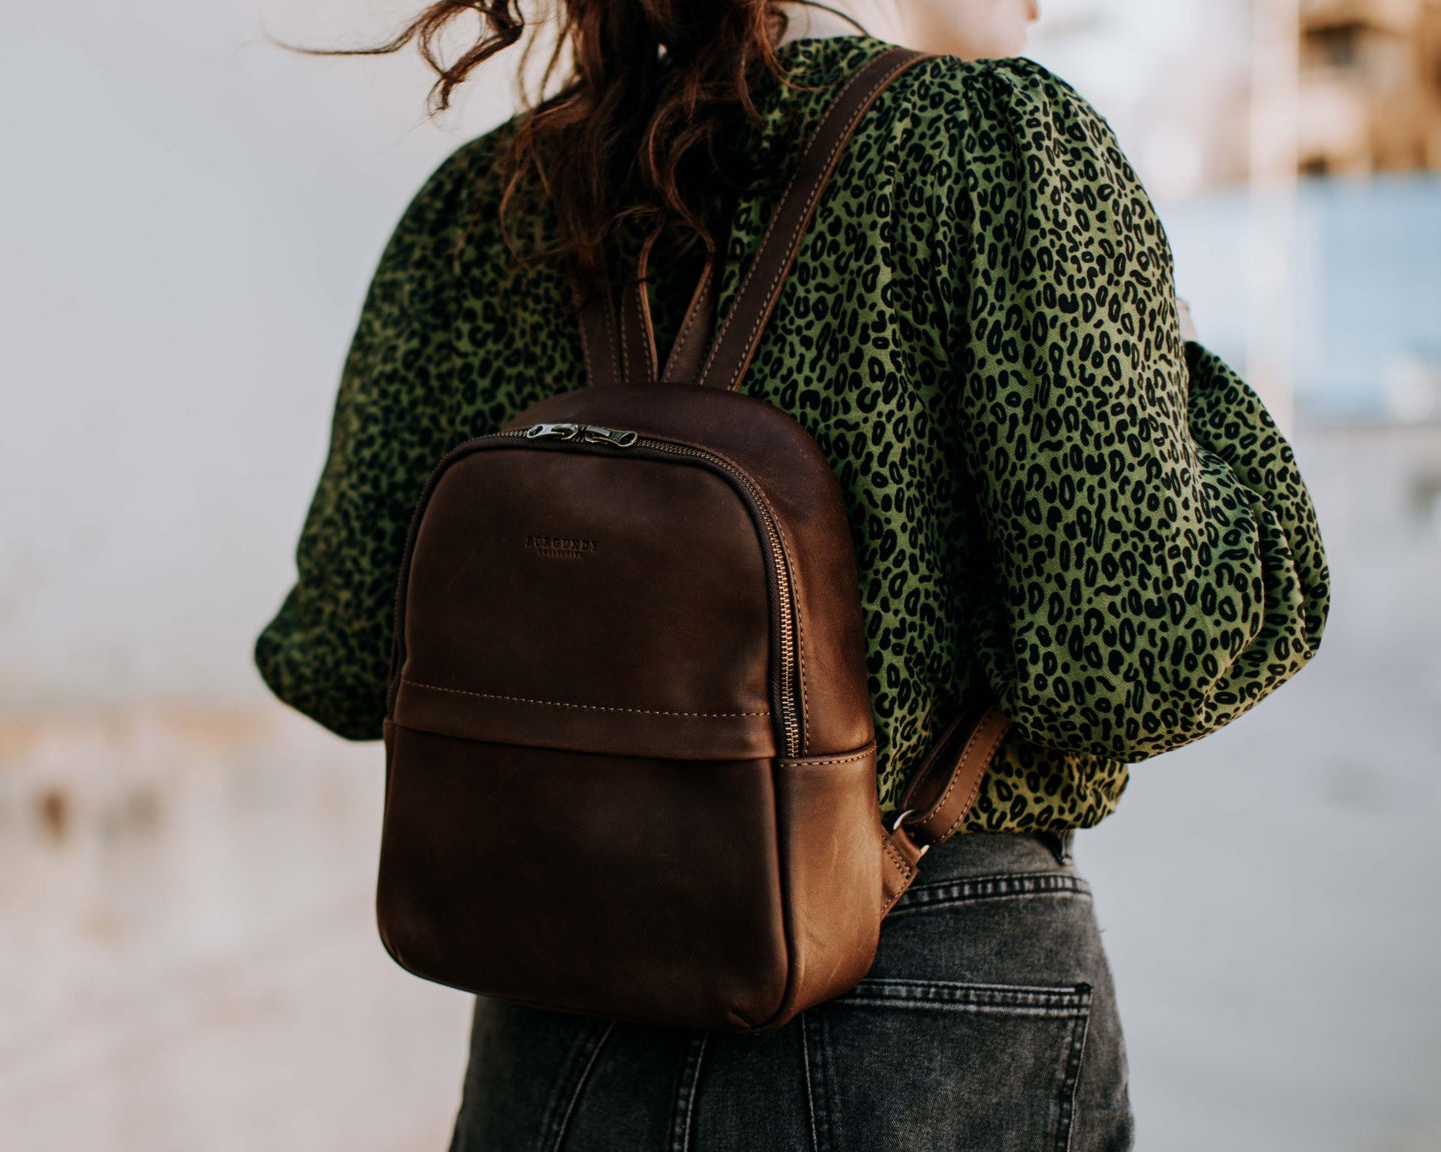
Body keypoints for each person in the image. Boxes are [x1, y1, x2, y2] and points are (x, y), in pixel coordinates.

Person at [255, 0, 1331, 1147]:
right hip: (916, 987)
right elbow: (1135, 656)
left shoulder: (486, 202)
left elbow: (334, 654)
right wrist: (1185, 392)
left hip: (557, 1014)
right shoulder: (993, 152)